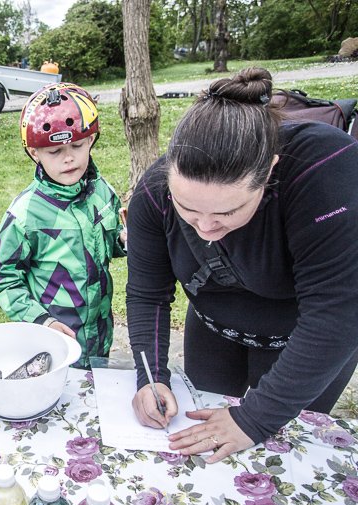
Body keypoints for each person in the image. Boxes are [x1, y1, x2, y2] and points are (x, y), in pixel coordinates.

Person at [126, 67, 358, 463]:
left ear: (268, 172)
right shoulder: (154, 190)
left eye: (226, 213)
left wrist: (254, 419)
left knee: (283, 451)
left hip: (305, 339)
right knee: (204, 436)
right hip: (214, 328)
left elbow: (336, 314)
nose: (205, 228)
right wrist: (152, 377)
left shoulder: (325, 171)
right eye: (188, 209)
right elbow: (148, 294)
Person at [0, 82, 127, 368]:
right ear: (34, 153)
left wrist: (124, 240)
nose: (68, 157)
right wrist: (42, 320)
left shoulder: (103, 193)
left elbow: (110, 243)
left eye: (77, 145)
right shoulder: (25, 215)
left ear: (91, 139)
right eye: (54, 151)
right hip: (54, 342)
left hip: (100, 335)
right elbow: (3, 281)